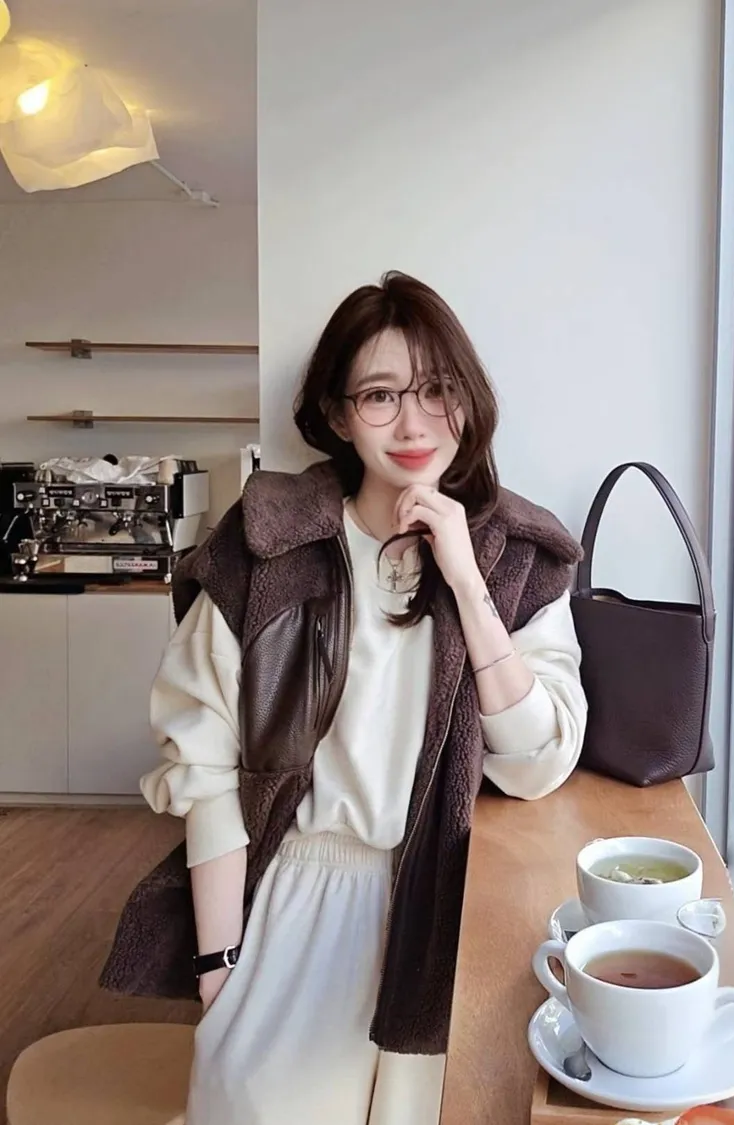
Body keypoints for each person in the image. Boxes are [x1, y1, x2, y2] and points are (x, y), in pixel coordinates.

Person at [101, 271, 587, 1125]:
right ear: (336, 413)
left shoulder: (518, 558)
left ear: (468, 401)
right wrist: (218, 964)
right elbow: (204, 765)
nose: (414, 423)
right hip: (298, 902)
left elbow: (538, 761)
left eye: (437, 389)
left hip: (441, 913)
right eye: (380, 395)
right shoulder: (265, 549)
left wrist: (467, 581)